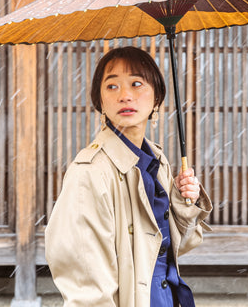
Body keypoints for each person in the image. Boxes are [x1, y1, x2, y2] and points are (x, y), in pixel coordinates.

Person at [45, 46, 212, 307]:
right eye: (112, 86)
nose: (125, 95)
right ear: (99, 101)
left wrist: (184, 203)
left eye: (136, 84)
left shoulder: (157, 161)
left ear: (157, 98)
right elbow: (86, 284)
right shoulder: (89, 173)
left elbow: (173, 247)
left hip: (165, 297)